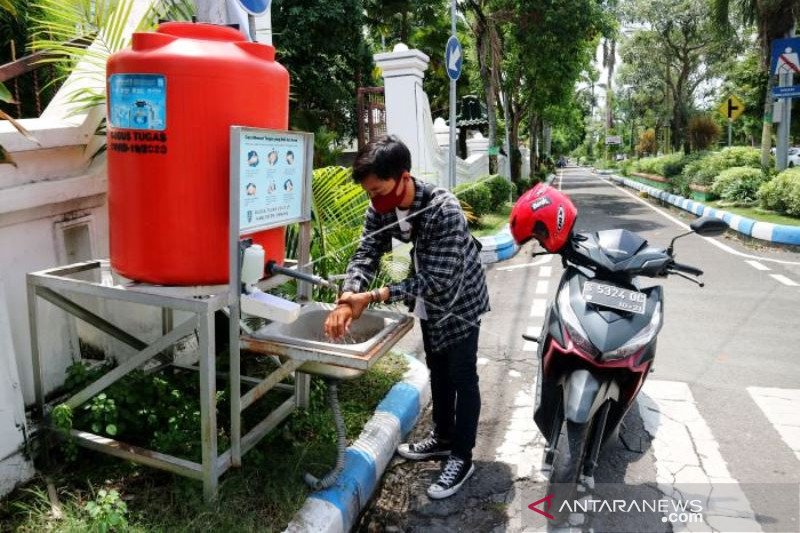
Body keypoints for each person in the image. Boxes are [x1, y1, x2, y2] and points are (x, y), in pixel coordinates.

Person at [324, 135, 490, 500]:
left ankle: (462, 457)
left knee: (463, 376)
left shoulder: (443, 208)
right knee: (439, 369)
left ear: (404, 176)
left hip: (461, 299)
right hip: (430, 304)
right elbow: (367, 249)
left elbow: (437, 278)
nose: (374, 200)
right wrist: (350, 295)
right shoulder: (380, 207)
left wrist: (375, 295)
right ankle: (443, 437)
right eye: (369, 193)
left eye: (379, 190)